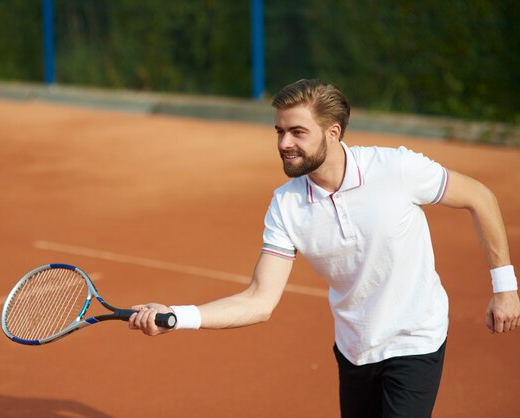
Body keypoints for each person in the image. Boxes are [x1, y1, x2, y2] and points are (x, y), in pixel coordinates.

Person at [128, 79, 520, 418]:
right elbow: (259, 300)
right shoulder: (286, 204)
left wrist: (505, 288)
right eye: (279, 132)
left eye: (298, 132)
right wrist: (176, 316)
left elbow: (481, 197)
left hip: (414, 339)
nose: (284, 143)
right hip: (354, 348)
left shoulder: (396, 169)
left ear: (333, 133)